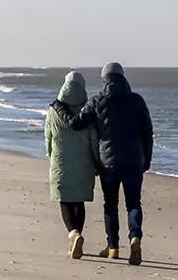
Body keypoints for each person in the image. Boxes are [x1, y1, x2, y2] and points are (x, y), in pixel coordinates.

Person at [50, 62, 153, 266]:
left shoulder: (98, 101)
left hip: (108, 162)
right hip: (134, 160)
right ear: (123, 77)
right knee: (133, 203)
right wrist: (147, 159)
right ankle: (135, 238)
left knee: (111, 204)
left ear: (104, 79)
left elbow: (75, 123)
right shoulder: (137, 100)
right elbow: (147, 133)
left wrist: (59, 106)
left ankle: (113, 247)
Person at [44, 70, 102, 259]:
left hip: (61, 162)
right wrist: (96, 162)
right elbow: (94, 139)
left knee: (65, 200)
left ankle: (73, 234)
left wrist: (51, 156)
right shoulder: (88, 110)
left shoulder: (54, 111)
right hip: (84, 163)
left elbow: (48, 136)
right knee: (79, 201)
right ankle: (77, 235)